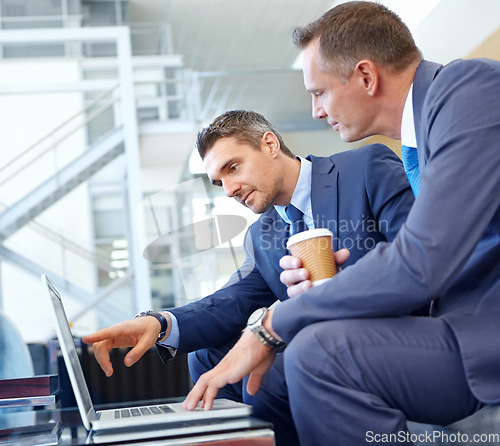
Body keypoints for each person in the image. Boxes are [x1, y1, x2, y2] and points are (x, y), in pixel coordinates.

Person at [182, 2, 500, 446]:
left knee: (317, 353)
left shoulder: (466, 90)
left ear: (366, 77)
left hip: (481, 333)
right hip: (456, 325)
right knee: (265, 354)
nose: (314, 111)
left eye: (319, 92)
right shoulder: (425, 132)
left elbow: (422, 258)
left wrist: (275, 323)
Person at [82, 109, 414, 445]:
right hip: (317, 338)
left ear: (269, 144)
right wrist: (160, 323)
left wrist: (345, 283)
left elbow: (422, 254)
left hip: (392, 332)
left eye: (233, 167)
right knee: (208, 356)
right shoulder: (261, 234)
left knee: (266, 375)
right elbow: (233, 300)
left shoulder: (365, 168)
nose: (228, 190)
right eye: (218, 182)